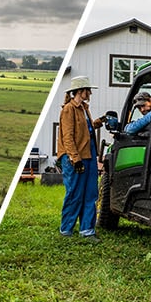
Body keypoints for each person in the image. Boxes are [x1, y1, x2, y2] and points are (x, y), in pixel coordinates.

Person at [57, 75, 105, 243]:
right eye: (88, 90)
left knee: (91, 193)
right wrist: (75, 159)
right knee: (75, 194)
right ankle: (66, 230)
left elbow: (87, 131)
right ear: (80, 91)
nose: (90, 93)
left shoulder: (84, 108)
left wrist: (100, 121)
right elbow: (68, 137)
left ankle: (87, 230)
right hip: (74, 157)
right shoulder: (69, 109)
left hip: (89, 155)